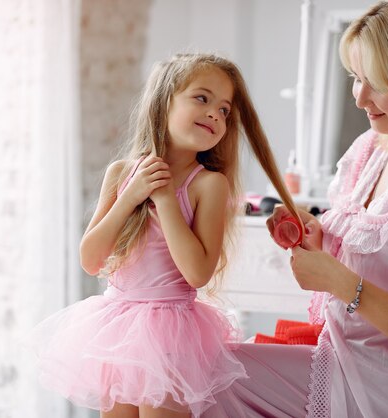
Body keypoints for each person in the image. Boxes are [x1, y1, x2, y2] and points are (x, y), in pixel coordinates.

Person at [202, 1, 388, 417]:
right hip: (349, 358)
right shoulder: (372, 149)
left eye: (376, 83)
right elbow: (376, 250)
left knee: (207, 383)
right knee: (195, 371)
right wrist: (317, 235)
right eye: (355, 78)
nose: (360, 98)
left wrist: (345, 285)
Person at [28, 53, 301, 418]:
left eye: (224, 110)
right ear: (164, 100)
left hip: (170, 334)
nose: (215, 115)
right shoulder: (122, 173)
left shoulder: (208, 184)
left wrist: (165, 199)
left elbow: (198, 273)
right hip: (117, 330)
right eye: (202, 98)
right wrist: (130, 197)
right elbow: (91, 259)